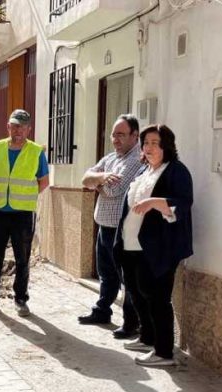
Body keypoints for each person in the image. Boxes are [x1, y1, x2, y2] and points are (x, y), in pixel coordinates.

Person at [114, 125, 193, 367]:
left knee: (157, 298)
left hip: (159, 247)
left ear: (166, 146)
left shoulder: (176, 171)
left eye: (155, 143)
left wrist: (154, 203)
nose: (148, 148)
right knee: (137, 293)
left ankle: (164, 352)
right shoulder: (144, 171)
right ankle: (147, 338)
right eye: (146, 143)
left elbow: (183, 203)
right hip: (131, 243)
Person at [0, 109, 50, 318]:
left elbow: (44, 182)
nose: (18, 130)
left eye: (23, 126)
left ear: (29, 129)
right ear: (8, 126)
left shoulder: (36, 152)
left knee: (22, 259)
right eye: (15, 125)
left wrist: (24, 195)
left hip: (22, 215)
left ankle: (20, 300)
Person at [79, 114, 143, 338]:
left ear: (135, 136)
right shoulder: (111, 158)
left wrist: (97, 184)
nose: (115, 139)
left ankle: (131, 323)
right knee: (106, 274)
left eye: (121, 135)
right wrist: (101, 178)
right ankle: (102, 310)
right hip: (103, 225)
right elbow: (85, 179)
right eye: (114, 134)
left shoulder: (136, 160)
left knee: (126, 279)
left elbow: (115, 191)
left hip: (121, 230)